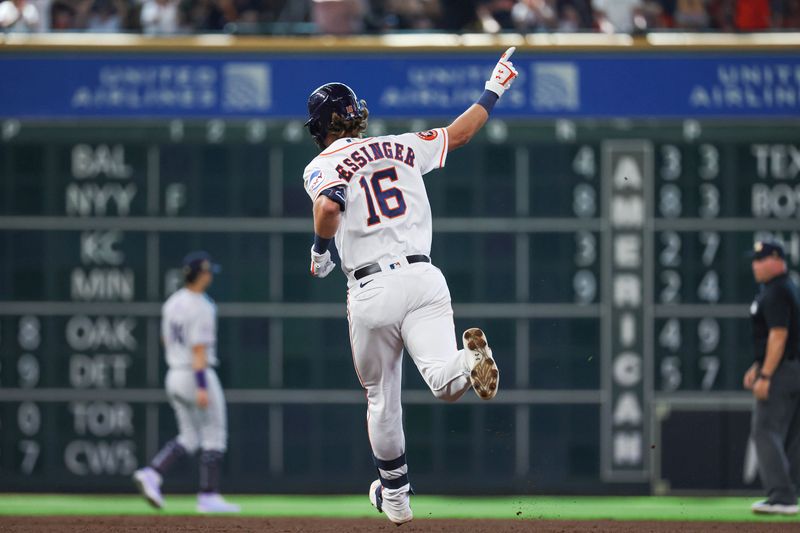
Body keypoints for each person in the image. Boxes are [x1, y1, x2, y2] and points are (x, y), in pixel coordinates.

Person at [302, 48, 517, 525]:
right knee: (444, 381)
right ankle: (470, 359)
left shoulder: (322, 163)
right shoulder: (402, 144)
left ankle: (397, 503)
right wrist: (495, 86)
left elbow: (328, 209)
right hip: (423, 277)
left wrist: (319, 251)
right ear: (352, 114)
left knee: (382, 397)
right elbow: (460, 133)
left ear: (320, 127)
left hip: (371, 289)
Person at [133, 251, 240, 514]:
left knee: (190, 436)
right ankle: (208, 495)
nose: (211, 276)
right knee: (215, 433)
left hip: (174, 374)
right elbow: (199, 351)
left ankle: (153, 473)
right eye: (208, 271)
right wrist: (202, 386)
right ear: (201, 274)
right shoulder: (202, 306)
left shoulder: (172, 302)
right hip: (195, 374)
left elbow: (165, 340)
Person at [744, 240, 800, 516]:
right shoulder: (786, 288)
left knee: (765, 430)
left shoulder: (777, 291)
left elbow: (779, 335)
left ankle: (782, 496)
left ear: (777, 260)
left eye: (761, 259)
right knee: (791, 436)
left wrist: (765, 374)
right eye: (754, 260)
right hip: (793, 368)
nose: (755, 265)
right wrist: (758, 365)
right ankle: (790, 493)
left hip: (783, 372)